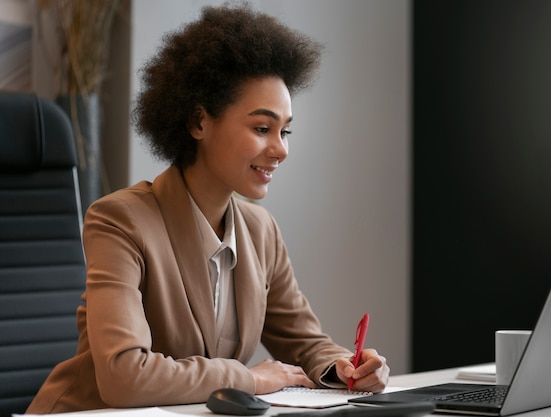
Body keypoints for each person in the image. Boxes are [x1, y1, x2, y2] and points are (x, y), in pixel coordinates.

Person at [27, 2, 389, 414]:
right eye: (261, 128)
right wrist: (249, 378)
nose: (281, 150)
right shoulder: (120, 220)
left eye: (285, 131)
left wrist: (344, 367)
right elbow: (124, 376)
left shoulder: (260, 230)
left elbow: (306, 342)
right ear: (199, 122)